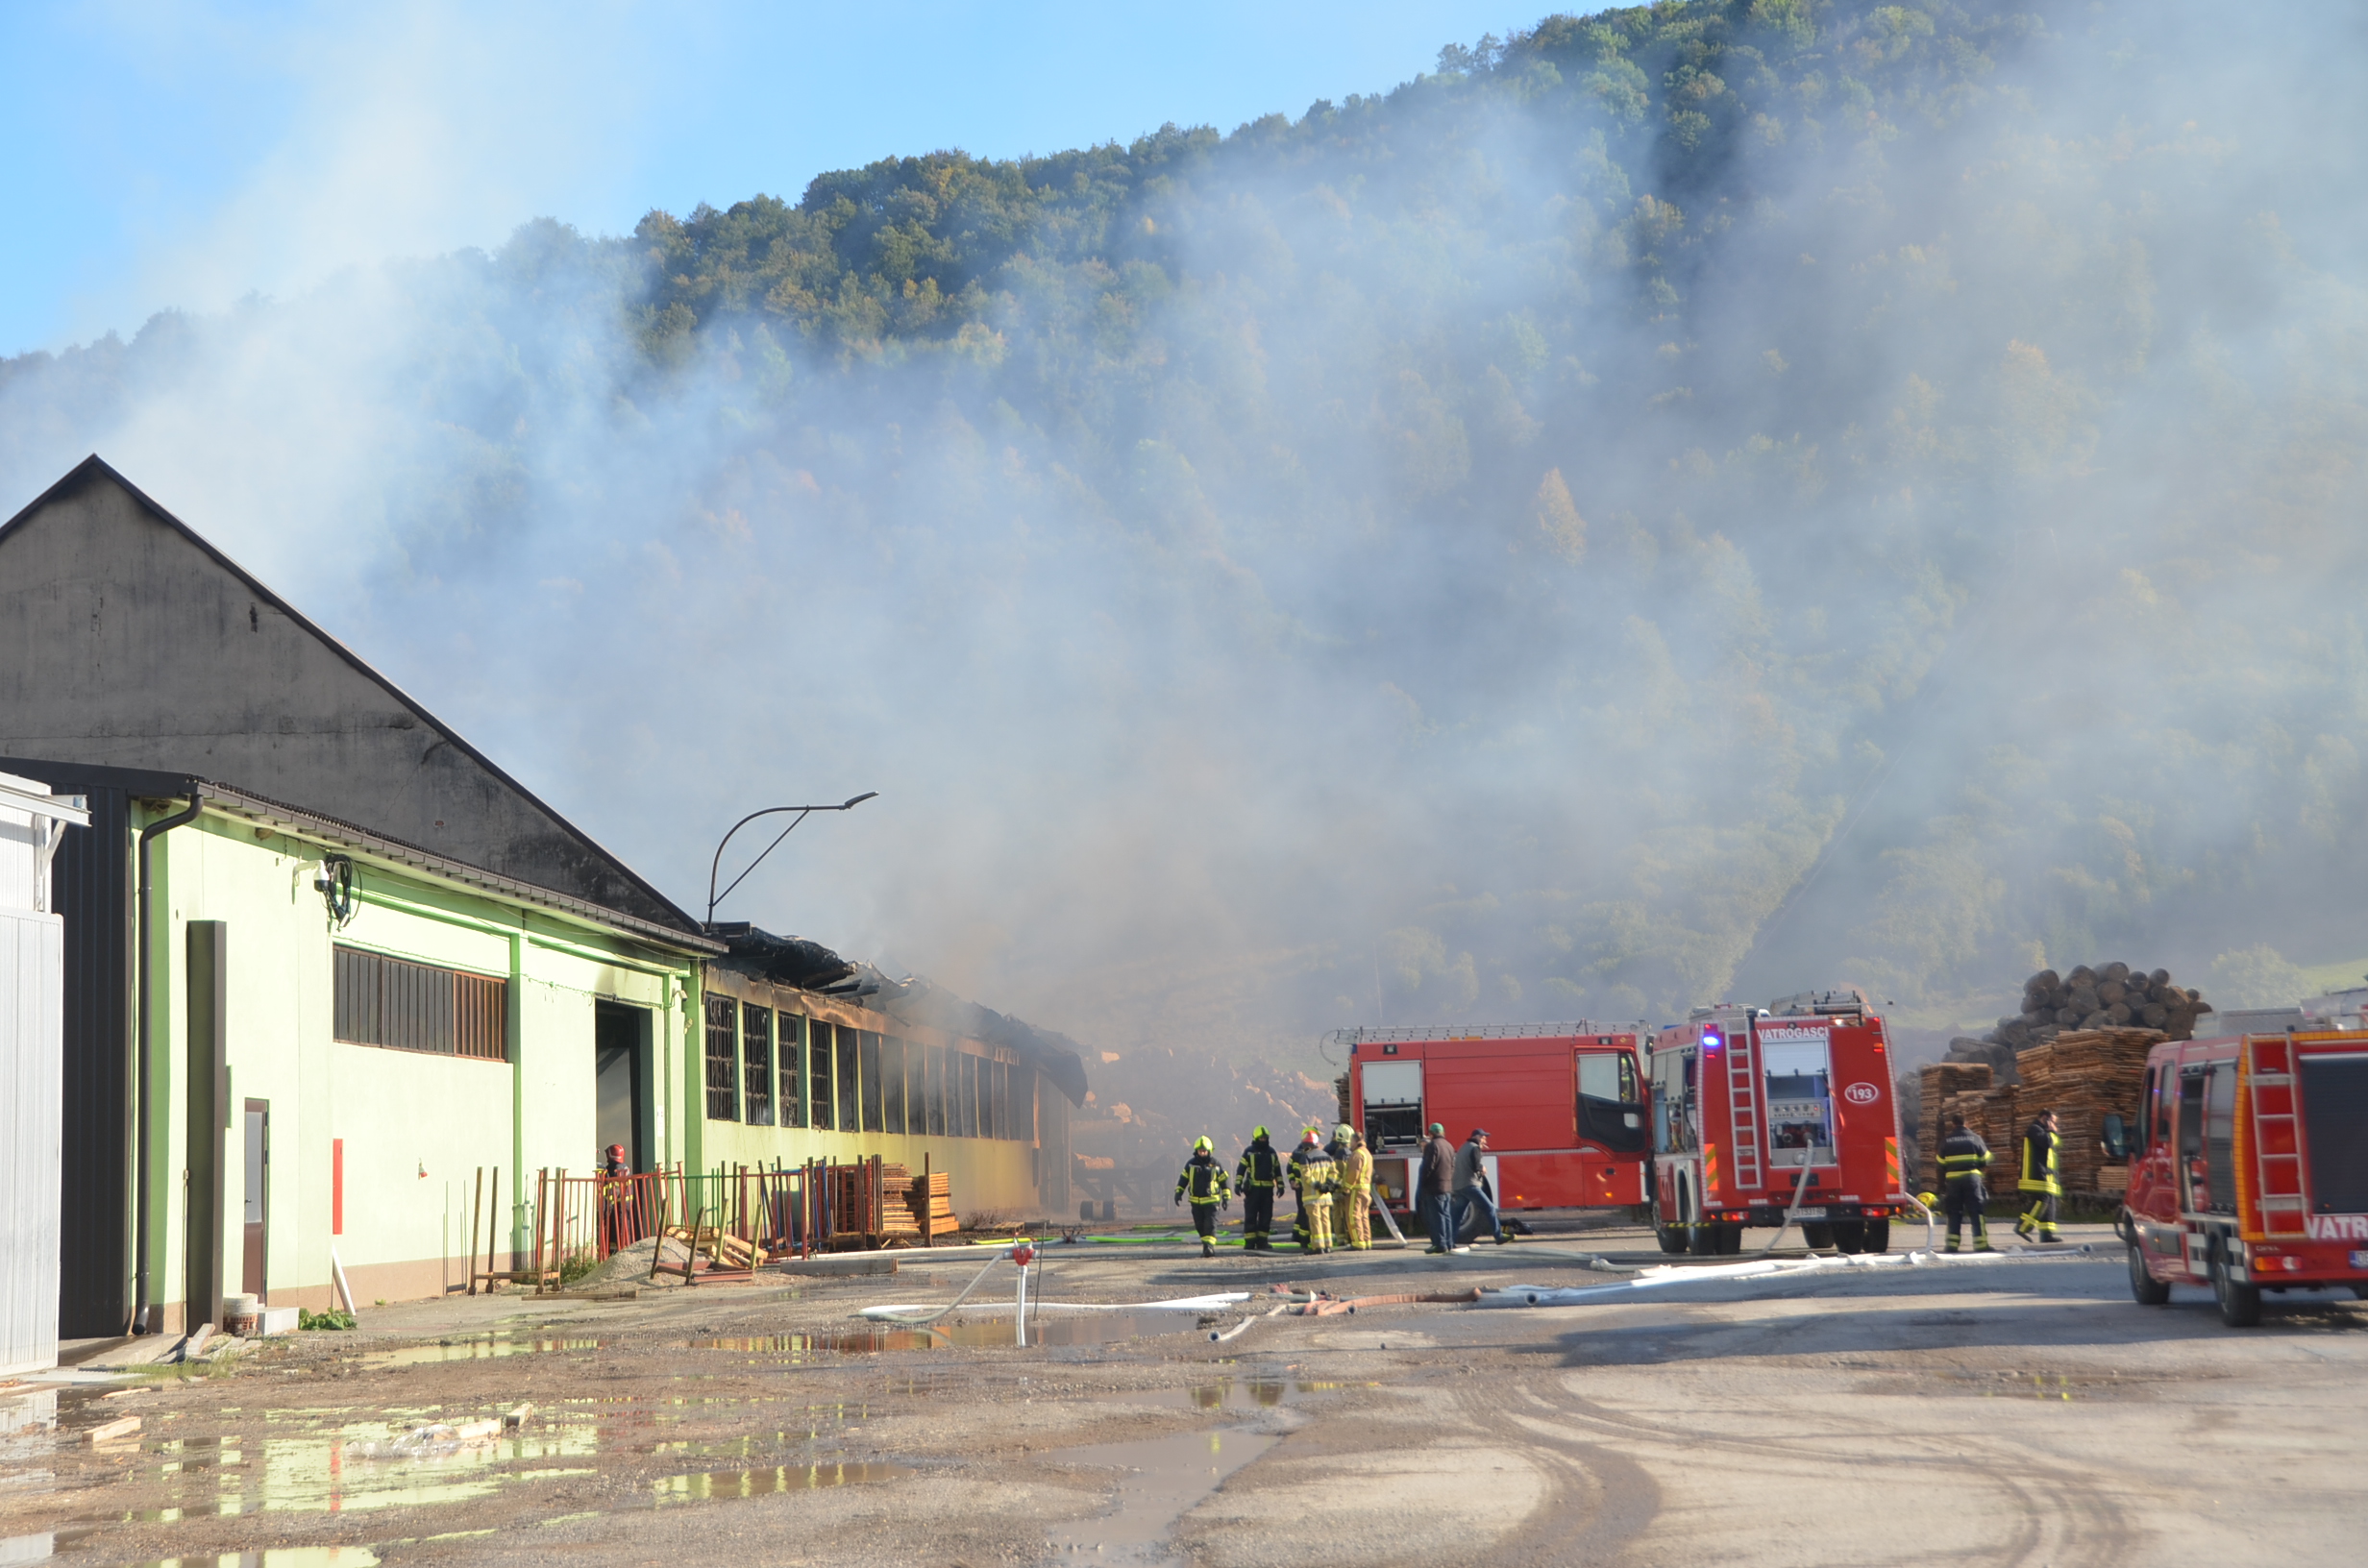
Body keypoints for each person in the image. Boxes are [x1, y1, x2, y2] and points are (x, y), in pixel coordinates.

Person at [1936, 1115, 1994, 1253]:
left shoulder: (1946, 1141)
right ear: (1967, 1123)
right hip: (1972, 1179)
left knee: (1954, 1212)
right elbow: (1986, 1158)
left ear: (1953, 1124)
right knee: (1976, 1211)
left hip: (1953, 1181)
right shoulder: (1975, 1138)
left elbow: (1940, 1163)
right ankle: (1981, 1245)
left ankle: (1951, 1245)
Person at [1173, 1136, 1234, 1258]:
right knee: (1199, 1225)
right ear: (1196, 1151)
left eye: (1204, 1151)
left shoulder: (1216, 1164)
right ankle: (1206, 1244)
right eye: (1200, 1151)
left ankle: (1209, 1248)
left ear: (1209, 1151)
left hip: (1212, 1202)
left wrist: (1226, 1197)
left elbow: (1224, 1181)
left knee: (1210, 1224)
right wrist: (1178, 1192)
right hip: (1196, 1202)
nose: (1202, 1153)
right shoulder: (1190, 1165)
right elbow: (1183, 1180)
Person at [1451, 1128, 1506, 1248]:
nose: (1484, 1139)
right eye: (1482, 1137)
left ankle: (1450, 1241)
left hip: (1459, 1186)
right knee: (1490, 1208)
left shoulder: (1464, 1147)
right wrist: (1483, 1169)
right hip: (1470, 1185)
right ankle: (1499, 1236)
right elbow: (1476, 1167)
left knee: (1457, 1215)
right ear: (1476, 1137)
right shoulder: (1475, 1148)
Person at [1288, 1128, 1339, 1254]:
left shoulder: (1306, 1158)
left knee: (1315, 1221)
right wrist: (1327, 1185)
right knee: (1326, 1220)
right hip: (1325, 1196)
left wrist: (1318, 1185)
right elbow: (1334, 1172)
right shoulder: (1326, 1156)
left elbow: (1307, 1176)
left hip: (1312, 1196)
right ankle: (1328, 1245)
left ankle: (1318, 1247)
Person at [2016, 1108, 2063, 1243]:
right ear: (2045, 1118)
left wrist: (2052, 1132)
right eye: (2052, 1121)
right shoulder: (2035, 1129)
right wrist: (2053, 1131)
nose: (2054, 1125)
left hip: (2048, 1176)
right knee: (2042, 1200)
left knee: (2050, 1204)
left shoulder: (2044, 1131)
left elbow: (2056, 1143)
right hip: (2036, 1174)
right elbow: (2047, 1142)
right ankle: (2022, 1226)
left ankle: (2046, 1234)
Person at [1236, 1127, 1283, 1252]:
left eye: (1265, 1138)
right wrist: (1238, 1184)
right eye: (1261, 1138)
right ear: (1256, 1138)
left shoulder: (1272, 1152)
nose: (1263, 1140)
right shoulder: (1249, 1152)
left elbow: (1277, 1171)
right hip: (1253, 1190)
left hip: (1267, 1190)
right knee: (1251, 1215)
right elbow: (1241, 1169)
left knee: (1266, 1216)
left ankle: (1262, 1241)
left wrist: (1281, 1186)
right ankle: (1250, 1242)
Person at [1416, 1122, 1458, 1254]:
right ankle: (1449, 1243)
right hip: (1446, 1187)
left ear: (1431, 1134)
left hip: (1433, 1188)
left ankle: (1439, 1244)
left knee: (1436, 1218)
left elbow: (1429, 1167)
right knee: (1446, 1216)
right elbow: (1452, 1167)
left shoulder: (1432, 1146)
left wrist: (1423, 1184)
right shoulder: (1449, 1146)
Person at [1340, 1124, 1374, 1250]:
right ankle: (1366, 1241)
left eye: (1351, 1142)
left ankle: (1357, 1242)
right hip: (1365, 1189)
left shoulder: (1357, 1155)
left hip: (1356, 1190)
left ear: (1355, 1141)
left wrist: (1346, 1188)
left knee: (1353, 1216)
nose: (1350, 1145)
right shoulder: (1367, 1153)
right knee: (1364, 1216)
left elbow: (1353, 1173)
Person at [1325, 1122, 1355, 1245]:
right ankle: (1350, 1237)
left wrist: (1334, 1186)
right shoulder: (1351, 1152)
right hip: (1348, 1188)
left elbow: (1337, 1172)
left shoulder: (1339, 1153)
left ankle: (1341, 1239)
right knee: (1348, 1214)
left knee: (1338, 1214)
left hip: (1339, 1189)